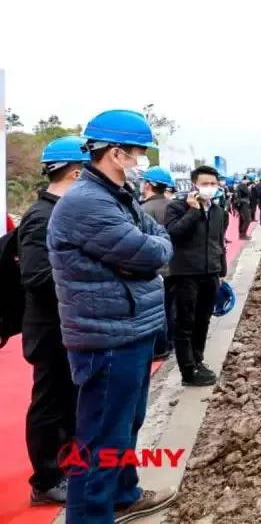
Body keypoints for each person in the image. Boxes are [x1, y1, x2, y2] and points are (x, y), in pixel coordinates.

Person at [46, 109, 176, 521]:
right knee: (100, 439)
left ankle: (123, 494)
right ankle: (88, 516)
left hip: (128, 330)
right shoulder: (87, 203)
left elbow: (158, 243)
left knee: (126, 425)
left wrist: (142, 259)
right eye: (137, 154)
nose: (141, 163)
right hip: (106, 340)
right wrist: (143, 258)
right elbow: (150, 251)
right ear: (117, 154)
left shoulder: (116, 197)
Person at [19, 136, 88, 506]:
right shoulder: (41, 217)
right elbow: (36, 277)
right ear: (76, 174)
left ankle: (67, 463)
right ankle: (45, 479)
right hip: (50, 329)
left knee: (69, 402)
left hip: (68, 324)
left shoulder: (63, 213)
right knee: (50, 403)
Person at [164, 166, 227, 387]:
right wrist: (193, 211)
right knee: (185, 323)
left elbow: (219, 243)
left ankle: (198, 360)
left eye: (213, 183)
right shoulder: (176, 207)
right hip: (185, 274)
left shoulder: (219, 212)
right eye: (204, 183)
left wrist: (222, 272)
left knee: (203, 320)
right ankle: (188, 371)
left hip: (210, 273)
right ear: (194, 184)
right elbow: (174, 234)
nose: (209, 187)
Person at [139, 166, 177, 362]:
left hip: (157, 268)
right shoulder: (174, 205)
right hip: (177, 265)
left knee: (160, 309)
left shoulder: (143, 210)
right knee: (174, 306)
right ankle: (173, 341)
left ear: (148, 185)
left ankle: (161, 347)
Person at [234, 176, 253, 240]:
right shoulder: (242, 186)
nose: (248, 181)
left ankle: (242, 234)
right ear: (244, 180)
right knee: (247, 219)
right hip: (243, 205)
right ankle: (243, 234)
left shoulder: (241, 186)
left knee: (243, 220)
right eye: (248, 180)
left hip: (243, 204)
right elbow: (238, 198)